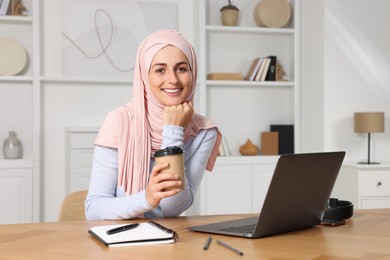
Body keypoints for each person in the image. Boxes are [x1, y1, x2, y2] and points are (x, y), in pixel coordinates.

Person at [85, 30, 221, 220]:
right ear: (144, 76)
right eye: (160, 70)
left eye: (182, 68)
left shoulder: (204, 131)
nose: (173, 79)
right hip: (118, 239)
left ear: (193, 72)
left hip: (169, 238)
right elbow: (94, 209)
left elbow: (172, 208)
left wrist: (173, 131)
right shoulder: (119, 122)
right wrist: (146, 199)